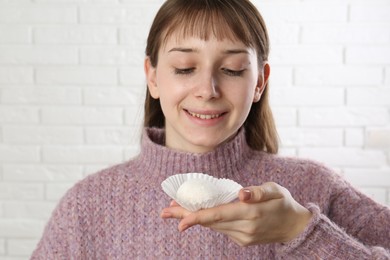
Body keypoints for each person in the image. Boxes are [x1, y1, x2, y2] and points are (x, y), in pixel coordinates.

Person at [31, 0, 390, 258]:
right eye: (185, 68)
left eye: (232, 69)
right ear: (152, 77)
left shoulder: (315, 188)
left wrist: (299, 231)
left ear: (260, 82)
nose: (207, 90)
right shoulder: (87, 206)